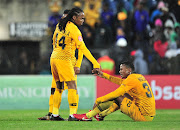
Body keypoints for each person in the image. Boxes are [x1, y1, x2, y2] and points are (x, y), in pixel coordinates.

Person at [50, 7, 100, 121]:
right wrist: (95, 63)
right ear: (74, 17)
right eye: (81, 18)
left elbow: (53, 40)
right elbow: (83, 48)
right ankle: (73, 115)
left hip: (54, 57)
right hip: (64, 59)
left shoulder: (59, 25)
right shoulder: (74, 29)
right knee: (72, 86)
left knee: (59, 86)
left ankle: (55, 114)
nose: (83, 21)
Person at [38, 9, 83, 121]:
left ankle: (69, 113)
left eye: (65, 17)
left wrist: (77, 64)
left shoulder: (72, 29)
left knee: (68, 88)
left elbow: (81, 49)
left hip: (69, 62)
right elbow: (54, 42)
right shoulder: (60, 27)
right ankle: (53, 113)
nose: (64, 19)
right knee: (57, 88)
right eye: (63, 17)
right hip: (62, 61)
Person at [73, 61, 156, 121]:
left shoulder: (131, 79)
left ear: (128, 70)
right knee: (123, 96)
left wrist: (99, 99)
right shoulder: (138, 76)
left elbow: (117, 93)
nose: (119, 71)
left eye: (121, 69)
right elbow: (119, 81)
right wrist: (103, 75)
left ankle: (88, 116)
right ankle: (99, 115)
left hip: (143, 116)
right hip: (148, 114)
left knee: (119, 97)